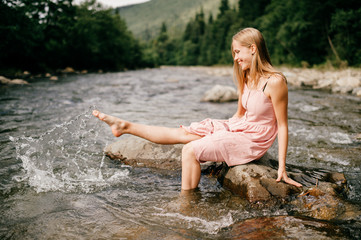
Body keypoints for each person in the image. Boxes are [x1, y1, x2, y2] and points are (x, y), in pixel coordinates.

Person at [92, 27, 302, 192]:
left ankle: (187, 203)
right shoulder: (246, 76)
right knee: (185, 133)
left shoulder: (275, 82)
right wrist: (220, 130)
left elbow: (282, 126)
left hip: (255, 139)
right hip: (240, 126)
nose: (235, 58)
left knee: (190, 150)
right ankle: (125, 126)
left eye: (238, 52)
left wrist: (282, 167)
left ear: (253, 48)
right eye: (234, 53)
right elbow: (239, 114)